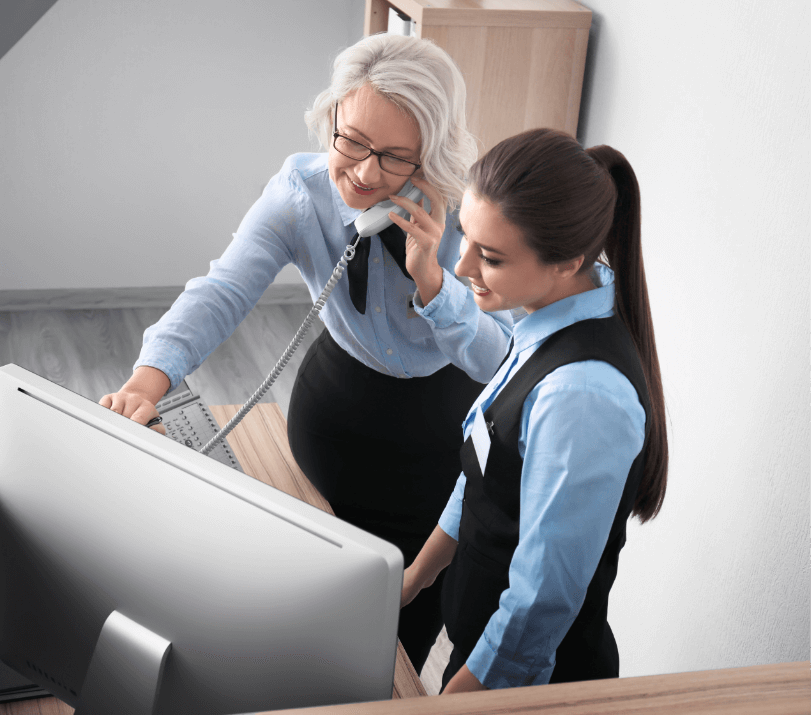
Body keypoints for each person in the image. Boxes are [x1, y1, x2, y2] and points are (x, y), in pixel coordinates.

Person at [99, 32, 513, 673]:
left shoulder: (473, 216)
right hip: (335, 426)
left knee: (393, 648)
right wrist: (146, 382)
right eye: (350, 141)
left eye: (394, 157)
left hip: (438, 450)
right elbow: (222, 290)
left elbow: (506, 367)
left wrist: (434, 283)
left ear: (429, 158)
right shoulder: (302, 190)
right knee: (310, 632)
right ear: (331, 119)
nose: (365, 173)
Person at [400, 127, 669, 693]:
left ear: (568, 260)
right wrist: (413, 580)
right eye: (466, 237)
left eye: (490, 256)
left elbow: (540, 600)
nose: (463, 264)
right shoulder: (548, 311)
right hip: (478, 653)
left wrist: (456, 699)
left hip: (526, 682)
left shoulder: (583, 397)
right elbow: (486, 467)